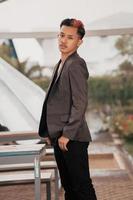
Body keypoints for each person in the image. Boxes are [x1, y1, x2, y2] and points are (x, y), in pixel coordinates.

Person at [38, 18, 97, 200]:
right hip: (60, 136)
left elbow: (79, 103)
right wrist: (50, 131)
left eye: (70, 37)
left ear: (79, 42)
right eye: (61, 35)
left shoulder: (76, 64)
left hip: (73, 138)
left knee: (81, 188)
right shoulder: (61, 63)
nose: (63, 40)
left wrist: (67, 134)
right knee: (70, 189)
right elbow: (56, 101)